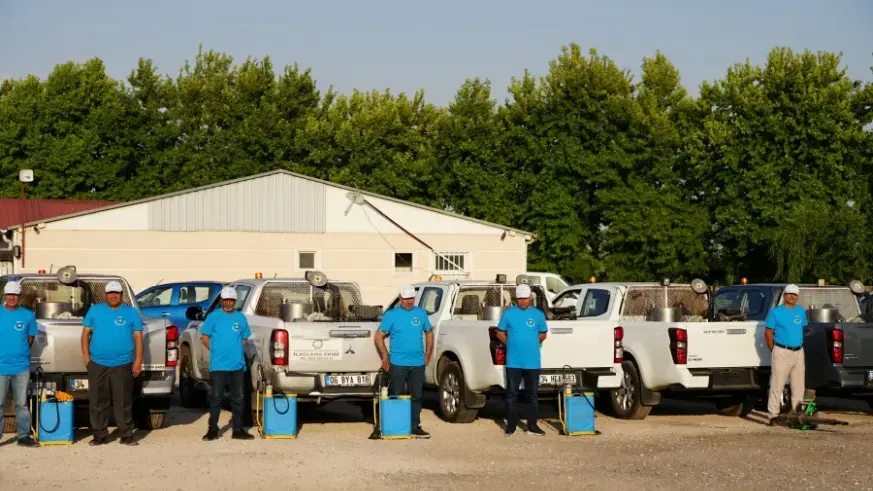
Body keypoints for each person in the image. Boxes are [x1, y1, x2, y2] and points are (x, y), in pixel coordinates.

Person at [81, 280, 143, 446]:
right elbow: (85, 334)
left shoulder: (131, 312)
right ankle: (99, 435)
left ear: (121, 295)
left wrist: (138, 360)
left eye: (116, 293)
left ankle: (126, 434)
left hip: (123, 363)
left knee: (123, 401)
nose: (113, 296)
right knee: (98, 401)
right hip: (97, 364)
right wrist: (87, 359)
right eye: (110, 293)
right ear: (105, 295)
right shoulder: (95, 310)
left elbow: (138, 337)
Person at [374, 284, 434, 438]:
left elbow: (429, 332)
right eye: (406, 299)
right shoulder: (391, 315)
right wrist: (385, 356)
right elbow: (379, 336)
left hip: (418, 364)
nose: (409, 301)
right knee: (395, 395)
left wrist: (428, 353)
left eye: (412, 298)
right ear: (400, 298)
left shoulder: (421, 313)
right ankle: (394, 425)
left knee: (417, 396)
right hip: (398, 363)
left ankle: (414, 426)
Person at [201, 286, 254, 441]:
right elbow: (204, 337)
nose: (228, 303)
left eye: (231, 300)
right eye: (226, 300)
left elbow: (245, 338)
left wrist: (234, 350)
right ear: (222, 301)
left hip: (237, 365)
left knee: (238, 398)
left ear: (235, 301)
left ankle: (238, 429)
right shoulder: (213, 317)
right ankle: (212, 429)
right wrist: (216, 350)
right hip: (218, 365)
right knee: (216, 398)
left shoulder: (241, 318)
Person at [496, 283, 548, 436]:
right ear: (516, 299)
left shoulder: (538, 314)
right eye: (520, 299)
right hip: (514, 361)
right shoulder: (508, 314)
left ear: (530, 298)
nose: (523, 301)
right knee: (511, 394)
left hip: (532, 362)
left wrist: (532, 343)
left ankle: (532, 425)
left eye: (525, 298)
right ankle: (511, 425)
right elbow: (499, 332)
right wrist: (510, 343)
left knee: (532, 395)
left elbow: (543, 334)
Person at [0, 281, 39, 447]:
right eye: (9, 295)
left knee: (21, 404)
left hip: (21, 367)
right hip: (1, 367)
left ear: (19, 297)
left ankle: (23, 436)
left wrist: (20, 352)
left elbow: (30, 338)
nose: (11, 298)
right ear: (4, 296)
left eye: (14, 295)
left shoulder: (28, 315)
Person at [765, 283, 807, 426]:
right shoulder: (775, 312)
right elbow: (768, 334)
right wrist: (775, 350)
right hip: (782, 350)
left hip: (799, 351)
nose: (792, 297)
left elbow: (801, 329)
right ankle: (773, 415)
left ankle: (796, 415)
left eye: (794, 294)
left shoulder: (801, 311)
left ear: (797, 297)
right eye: (789, 294)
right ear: (784, 296)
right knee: (777, 385)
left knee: (798, 386)